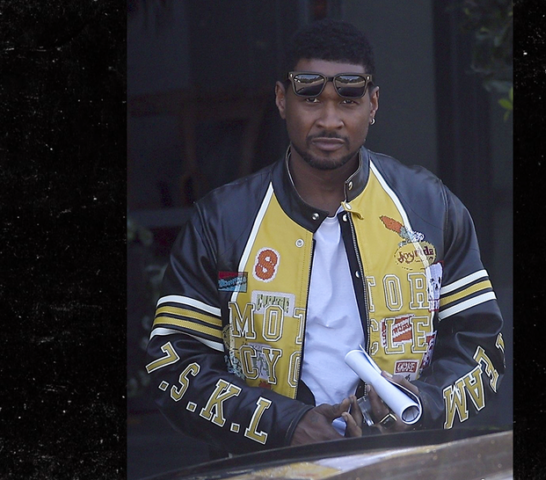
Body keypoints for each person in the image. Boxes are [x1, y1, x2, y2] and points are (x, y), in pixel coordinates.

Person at [145, 19, 506, 456]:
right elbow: (175, 364)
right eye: (310, 98)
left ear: (373, 104)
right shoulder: (222, 221)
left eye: (349, 100)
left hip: (402, 464)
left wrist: (423, 409)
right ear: (282, 100)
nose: (330, 119)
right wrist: (285, 425)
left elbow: (481, 349)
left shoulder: (431, 208)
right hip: (267, 468)